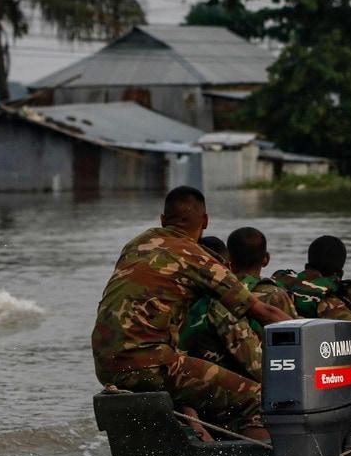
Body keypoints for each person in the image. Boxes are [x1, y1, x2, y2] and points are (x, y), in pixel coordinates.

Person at [92, 186, 290, 439]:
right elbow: (261, 311)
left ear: (163, 220)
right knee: (258, 398)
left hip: (105, 364)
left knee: (183, 374)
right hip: (150, 363)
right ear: (205, 222)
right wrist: (310, 333)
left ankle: (196, 437)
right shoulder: (198, 258)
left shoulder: (136, 245)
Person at [179, 226, 292, 382]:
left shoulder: (205, 292)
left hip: (203, 375)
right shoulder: (274, 294)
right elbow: (294, 340)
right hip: (257, 377)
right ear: (266, 259)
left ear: (229, 261)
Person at [273, 235, 351, 321]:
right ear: (340, 273)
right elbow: (350, 331)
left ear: (307, 266)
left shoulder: (280, 284)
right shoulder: (332, 301)